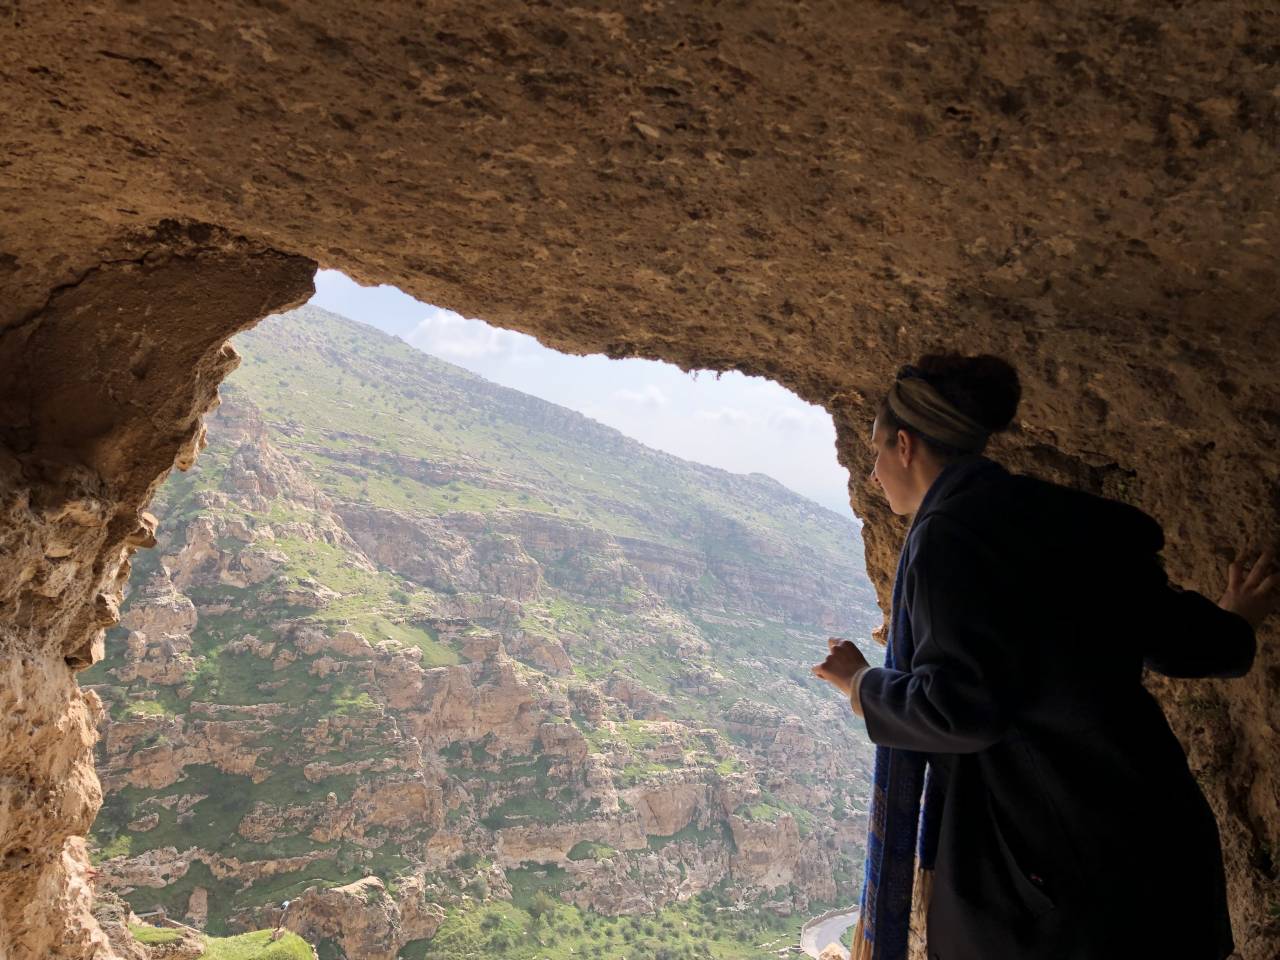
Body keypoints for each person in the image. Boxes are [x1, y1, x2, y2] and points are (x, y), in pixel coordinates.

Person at [812, 354, 1276, 960]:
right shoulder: (1069, 521)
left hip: (1056, 879)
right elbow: (1183, 640)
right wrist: (1235, 619)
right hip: (1155, 838)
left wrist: (860, 685)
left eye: (875, 451)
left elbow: (961, 710)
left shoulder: (947, 536)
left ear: (905, 445)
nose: (873, 474)